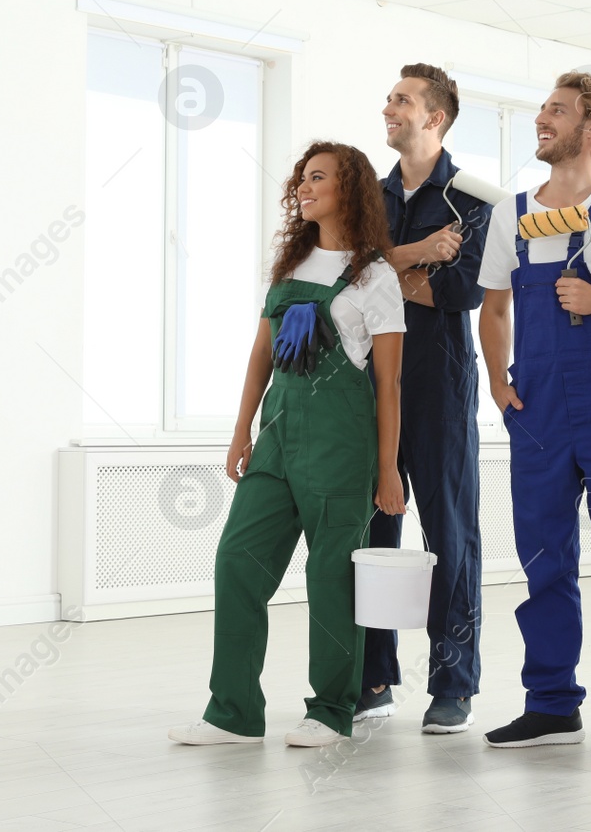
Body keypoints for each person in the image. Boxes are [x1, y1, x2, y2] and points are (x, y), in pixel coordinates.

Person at [169, 141, 406, 749]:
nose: (303, 187)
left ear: (348, 190)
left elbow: (388, 385)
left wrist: (387, 470)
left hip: (341, 446)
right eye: (301, 179)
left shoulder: (374, 276)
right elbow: (260, 357)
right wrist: (241, 429)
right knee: (236, 564)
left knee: (331, 578)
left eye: (318, 178)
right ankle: (233, 713)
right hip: (277, 439)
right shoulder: (288, 268)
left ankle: (331, 712)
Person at [476, 70, 591, 761]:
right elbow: (493, 307)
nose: (542, 118)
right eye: (542, 108)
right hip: (538, 408)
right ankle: (551, 702)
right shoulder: (511, 211)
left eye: (558, 109)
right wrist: (498, 385)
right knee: (543, 558)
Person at [357, 63, 491, 733]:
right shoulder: (368, 196)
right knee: (371, 530)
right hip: (369, 385)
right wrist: (414, 257)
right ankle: (373, 676)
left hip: (437, 385)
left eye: (401, 100)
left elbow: (460, 291)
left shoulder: (472, 198)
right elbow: (349, 275)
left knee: (451, 535)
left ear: (434, 117)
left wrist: (386, 268)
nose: (389, 107)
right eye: (389, 98)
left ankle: (453, 682)